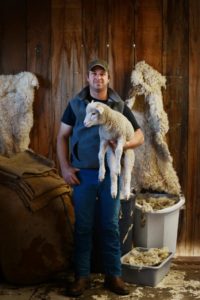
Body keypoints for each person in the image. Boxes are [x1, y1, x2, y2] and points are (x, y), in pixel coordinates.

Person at [57, 59, 144, 297]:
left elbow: (139, 136)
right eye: (93, 74)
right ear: (88, 78)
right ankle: (82, 277)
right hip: (83, 174)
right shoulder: (76, 104)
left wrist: (125, 145)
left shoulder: (118, 106)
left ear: (107, 78)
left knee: (110, 225)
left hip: (111, 174)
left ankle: (113, 275)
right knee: (83, 226)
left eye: (102, 74)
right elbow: (62, 136)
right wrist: (65, 167)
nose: (98, 78)